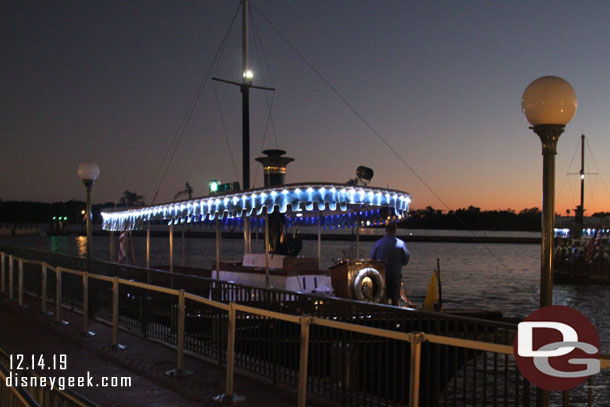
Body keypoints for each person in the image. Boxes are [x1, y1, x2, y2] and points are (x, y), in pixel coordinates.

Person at [369, 222, 410, 305]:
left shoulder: (378, 243)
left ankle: (382, 314)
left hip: (381, 275)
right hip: (396, 274)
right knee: (395, 298)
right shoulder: (400, 244)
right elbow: (406, 260)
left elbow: (372, 259)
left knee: (382, 296)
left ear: (386, 230)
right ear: (395, 230)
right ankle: (395, 314)